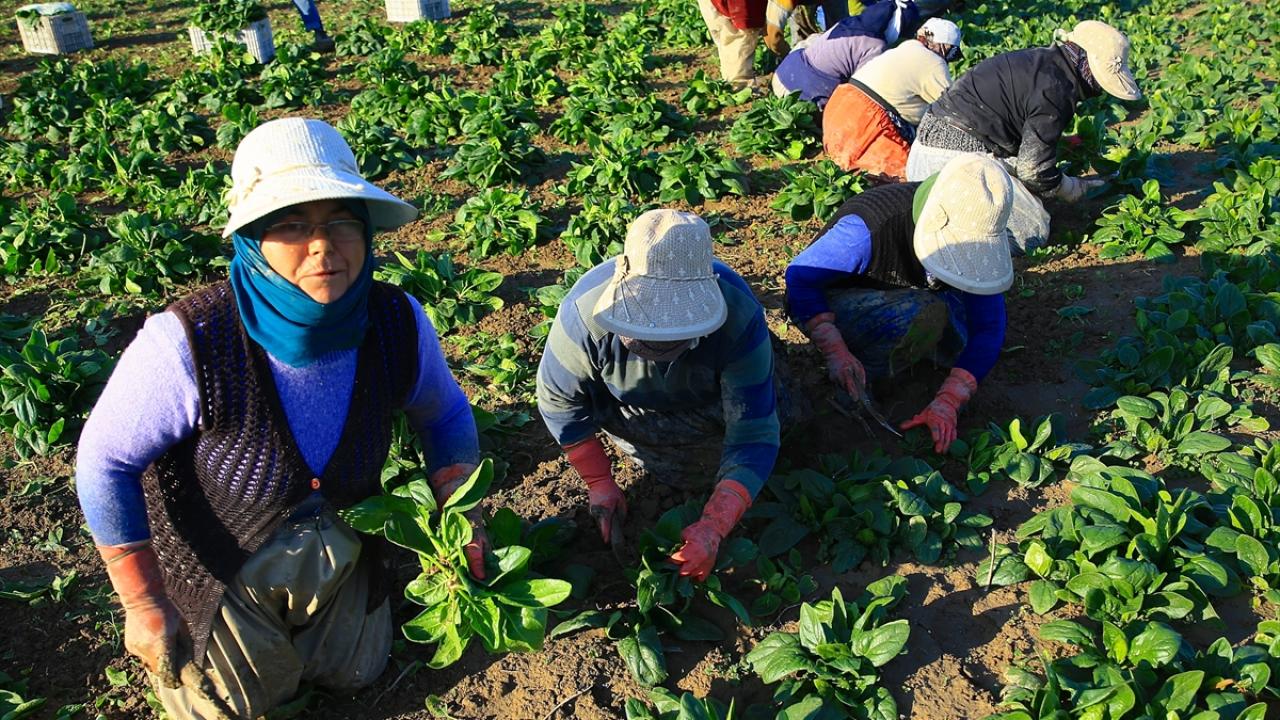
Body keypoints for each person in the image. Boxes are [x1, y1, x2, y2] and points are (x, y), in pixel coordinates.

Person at [75, 118, 483, 719]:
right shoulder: (191, 340)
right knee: (239, 707)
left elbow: (444, 414)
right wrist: (142, 602)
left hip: (341, 543)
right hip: (225, 566)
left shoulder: (395, 320)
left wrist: (460, 513)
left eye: (342, 221)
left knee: (358, 673)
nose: (322, 246)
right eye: (291, 225)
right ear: (251, 240)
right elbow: (104, 460)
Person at [536, 209, 787, 581]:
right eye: (642, 329)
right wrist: (600, 484)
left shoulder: (739, 318)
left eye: (672, 335)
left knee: (788, 420)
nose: (655, 342)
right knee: (682, 471)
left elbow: (754, 434)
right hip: (627, 407)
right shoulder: (582, 318)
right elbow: (559, 404)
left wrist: (714, 525)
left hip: (710, 397)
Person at [784, 154, 1014, 453]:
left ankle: (913, 358)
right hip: (831, 302)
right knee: (924, 314)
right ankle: (858, 386)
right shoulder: (866, 232)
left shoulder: (975, 224)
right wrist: (834, 349)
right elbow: (800, 278)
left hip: (908, 291)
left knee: (963, 339)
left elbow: (989, 325)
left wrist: (950, 399)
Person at [906, 20, 1142, 252]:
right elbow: (1033, 170)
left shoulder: (1042, 62)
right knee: (1030, 230)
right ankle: (951, 238)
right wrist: (1071, 188)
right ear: (1085, 64)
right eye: (1100, 82)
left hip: (923, 153)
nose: (1098, 90)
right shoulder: (1056, 89)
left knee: (1026, 194)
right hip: (947, 162)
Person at [822, 17, 961, 179]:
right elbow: (954, 109)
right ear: (944, 46)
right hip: (867, 122)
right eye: (953, 54)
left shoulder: (903, 49)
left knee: (845, 168)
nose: (949, 61)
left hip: (840, 108)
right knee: (909, 179)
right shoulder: (933, 61)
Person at [770, 0, 922, 109]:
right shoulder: (875, 46)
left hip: (781, 76)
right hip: (796, 97)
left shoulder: (846, 23)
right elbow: (865, 90)